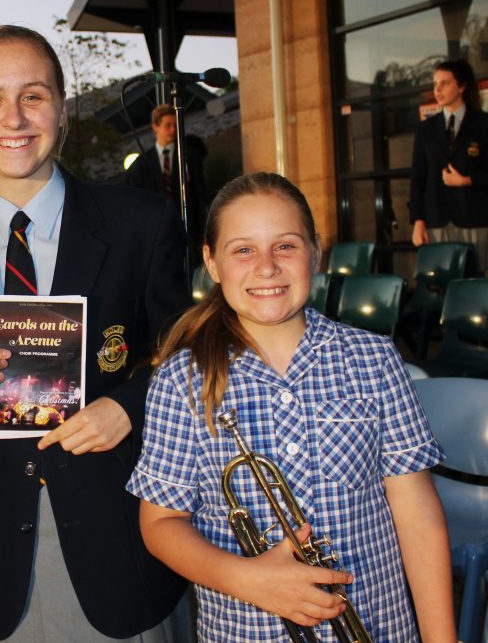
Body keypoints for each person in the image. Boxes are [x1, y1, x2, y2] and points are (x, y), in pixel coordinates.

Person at [129, 172, 455, 642]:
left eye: (285, 246)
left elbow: (416, 510)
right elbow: (161, 523)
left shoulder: (375, 358)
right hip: (246, 631)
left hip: (381, 627)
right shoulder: (181, 379)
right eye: (243, 250)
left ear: (315, 253)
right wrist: (250, 580)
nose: (266, 267)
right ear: (212, 263)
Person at [0, 25, 189, 642]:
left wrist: (129, 406)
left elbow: (185, 353)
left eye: (34, 95)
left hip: (120, 539)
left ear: (62, 106)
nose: (14, 117)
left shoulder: (144, 223)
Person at [410, 58, 488, 272]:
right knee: (444, 285)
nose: (438, 89)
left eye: (445, 83)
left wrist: (467, 180)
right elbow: (418, 178)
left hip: (476, 219)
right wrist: (418, 220)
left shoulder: (483, 124)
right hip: (437, 220)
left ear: (461, 86)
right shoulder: (425, 130)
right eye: (435, 84)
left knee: (476, 283)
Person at [123, 104, 208, 266]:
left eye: (175, 125)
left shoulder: (189, 156)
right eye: (168, 125)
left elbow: (200, 193)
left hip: (187, 231)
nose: (173, 130)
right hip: (156, 234)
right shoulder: (143, 163)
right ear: (156, 127)